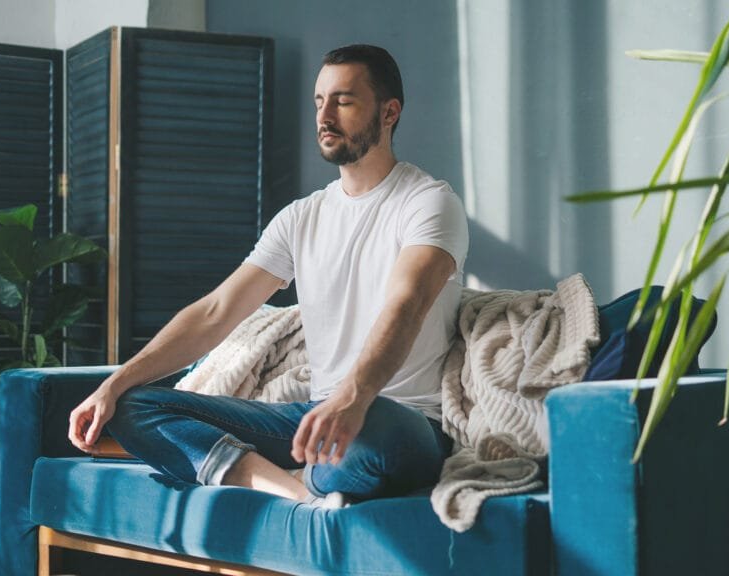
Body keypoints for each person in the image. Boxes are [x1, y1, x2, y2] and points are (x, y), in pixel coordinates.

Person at [69, 44, 469, 508]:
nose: (325, 115)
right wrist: (113, 385)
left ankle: (317, 473)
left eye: (344, 100)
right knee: (136, 406)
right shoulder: (300, 218)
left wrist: (354, 397)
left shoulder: (428, 203)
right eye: (319, 101)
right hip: (313, 418)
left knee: (372, 437)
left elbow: (407, 304)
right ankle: (297, 491)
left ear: (389, 112)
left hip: (398, 420)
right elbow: (217, 311)